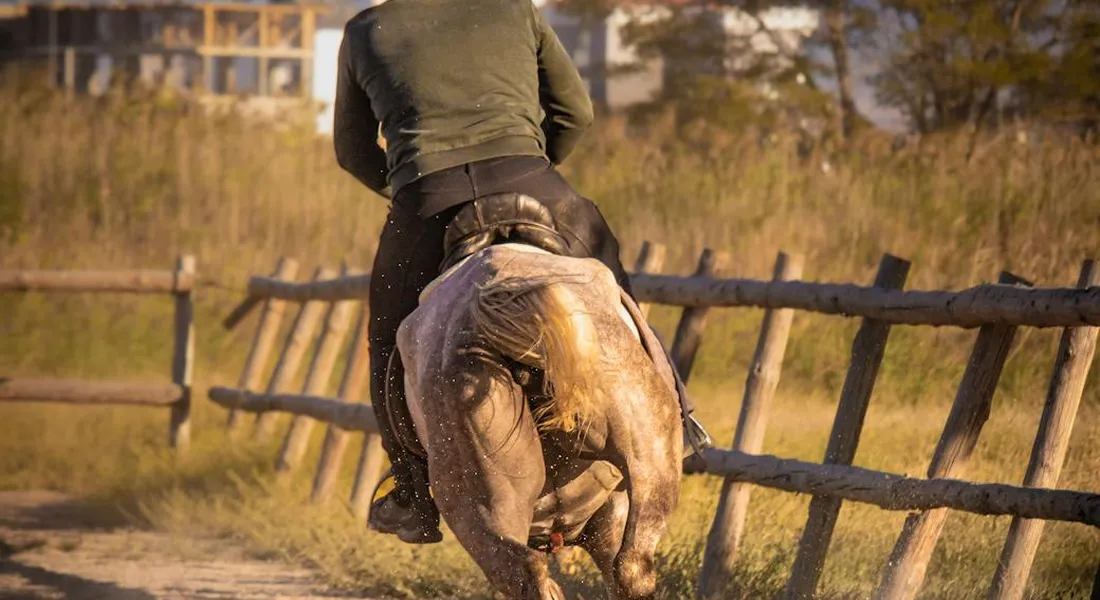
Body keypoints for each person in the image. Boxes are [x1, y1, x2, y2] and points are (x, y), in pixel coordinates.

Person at [333, 0, 709, 545]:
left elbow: (352, 150)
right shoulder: (513, 10)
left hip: (428, 197)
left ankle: (412, 493)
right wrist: (535, 165)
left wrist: (405, 190)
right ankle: (674, 417)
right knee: (614, 296)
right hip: (533, 181)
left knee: (388, 336)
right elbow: (575, 111)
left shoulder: (366, 29)